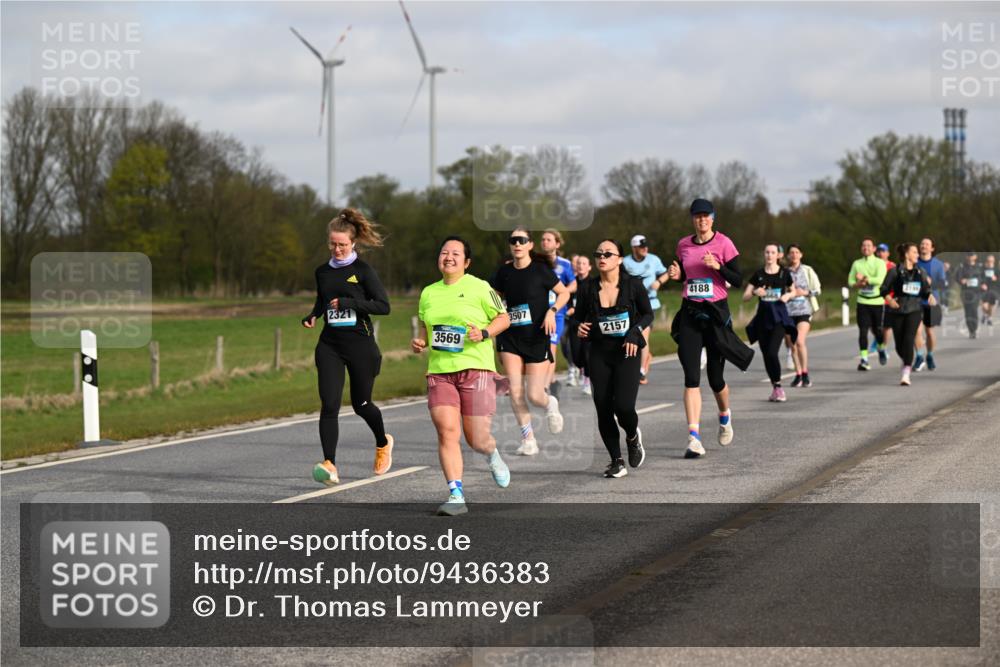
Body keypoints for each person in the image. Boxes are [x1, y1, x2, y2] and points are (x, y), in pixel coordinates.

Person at [412, 236, 512, 516]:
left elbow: (504, 318)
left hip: (476, 368)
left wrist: (483, 333)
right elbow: (425, 327)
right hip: (441, 371)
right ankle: (456, 495)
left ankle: (491, 453)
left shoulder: (480, 287)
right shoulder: (429, 292)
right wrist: (420, 341)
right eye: (444, 252)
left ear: (466, 262)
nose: (449, 257)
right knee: (447, 431)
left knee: (477, 439)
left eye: (456, 253)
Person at [302, 208, 394, 486]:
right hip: (330, 345)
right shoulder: (322, 272)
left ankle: (382, 443)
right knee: (329, 404)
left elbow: (383, 306)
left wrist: (349, 303)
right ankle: (329, 464)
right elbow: (322, 300)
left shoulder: (363, 271)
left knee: (361, 404)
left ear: (353, 242)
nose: (337, 249)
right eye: (333, 244)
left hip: (360, 346)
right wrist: (313, 315)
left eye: (342, 244)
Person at [665, 199, 755, 459]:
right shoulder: (683, 244)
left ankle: (724, 416)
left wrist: (719, 267)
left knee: (716, 379)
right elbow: (686, 273)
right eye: (697, 216)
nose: (701, 220)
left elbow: (738, 280)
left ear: (712, 219)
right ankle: (693, 438)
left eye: (706, 216)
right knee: (691, 376)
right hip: (691, 314)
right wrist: (677, 274)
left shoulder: (724, 243)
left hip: (716, 315)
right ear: (692, 219)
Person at [574, 239, 653, 478]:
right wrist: (580, 328)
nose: (602, 257)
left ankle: (632, 435)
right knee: (603, 407)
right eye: (599, 253)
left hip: (627, 352)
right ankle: (616, 460)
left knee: (624, 407)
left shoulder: (633, 285)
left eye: (608, 254)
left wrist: (634, 331)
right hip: (599, 352)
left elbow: (648, 314)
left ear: (619, 259)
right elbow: (578, 318)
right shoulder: (587, 287)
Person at [490, 227, 570, 457]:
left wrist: (552, 311)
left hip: (536, 336)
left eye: (522, 240)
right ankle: (529, 440)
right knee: (515, 391)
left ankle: (550, 404)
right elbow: (492, 299)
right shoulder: (503, 272)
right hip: (510, 337)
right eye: (513, 240)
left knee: (534, 395)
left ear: (530, 245)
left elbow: (563, 293)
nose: (517, 244)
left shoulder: (541, 270)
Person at [744, 245, 797, 402]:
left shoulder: (784, 273)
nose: (769, 255)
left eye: (772, 252)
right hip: (762, 320)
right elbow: (745, 296)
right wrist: (754, 292)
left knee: (773, 352)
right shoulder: (758, 274)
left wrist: (788, 296)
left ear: (778, 255)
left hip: (779, 319)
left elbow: (793, 290)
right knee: (767, 355)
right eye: (767, 252)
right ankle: (775, 387)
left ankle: (779, 388)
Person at [881, 243, 933, 386]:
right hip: (897, 310)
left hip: (914, 310)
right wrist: (890, 300)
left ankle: (906, 373)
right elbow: (883, 289)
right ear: (906, 255)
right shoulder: (895, 271)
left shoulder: (920, 272)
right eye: (914, 252)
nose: (917, 255)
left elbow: (925, 290)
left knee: (909, 338)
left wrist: (929, 295)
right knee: (899, 345)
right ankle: (908, 361)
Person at [623, 234, 669, 385]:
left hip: (649, 305)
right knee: (628, 336)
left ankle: (641, 371)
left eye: (646, 246)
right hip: (629, 305)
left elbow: (666, 272)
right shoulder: (625, 262)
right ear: (634, 248)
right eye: (641, 247)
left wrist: (659, 282)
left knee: (642, 334)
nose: (645, 249)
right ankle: (638, 360)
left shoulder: (654, 260)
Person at [540, 229, 577, 398]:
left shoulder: (565, 264)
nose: (545, 242)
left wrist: (562, 293)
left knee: (551, 348)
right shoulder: (535, 262)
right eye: (543, 239)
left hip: (557, 313)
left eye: (549, 239)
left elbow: (574, 285)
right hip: (538, 312)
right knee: (540, 348)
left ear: (557, 243)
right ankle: (550, 381)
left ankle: (545, 386)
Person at [847, 238, 888, 370]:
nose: (866, 248)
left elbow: (880, 280)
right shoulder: (856, 263)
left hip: (877, 301)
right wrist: (858, 284)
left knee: (878, 330)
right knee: (863, 331)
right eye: (863, 246)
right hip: (862, 301)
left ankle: (881, 348)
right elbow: (850, 281)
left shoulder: (879, 263)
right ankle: (864, 359)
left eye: (869, 246)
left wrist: (865, 279)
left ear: (874, 249)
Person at [784, 244, 821, 387]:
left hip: (804, 310)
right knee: (791, 345)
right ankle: (798, 374)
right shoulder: (784, 272)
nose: (794, 255)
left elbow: (817, 290)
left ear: (801, 255)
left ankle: (805, 373)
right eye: (791, 253)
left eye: (796, 252)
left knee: (799, 341)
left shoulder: (807, 270)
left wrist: (805, 292)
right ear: (788, 256)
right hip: (787, 312)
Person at [914, 237, 948, 371]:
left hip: (931, 301)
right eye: (922, 244)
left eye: (927, 244)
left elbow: (942, 283)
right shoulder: (914, 262)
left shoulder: (938, 264)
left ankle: (930, 355)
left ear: (932, 248)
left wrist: (930, 282)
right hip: (915, 301)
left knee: (929, 332)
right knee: (916, 330)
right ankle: (919, 356)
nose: (923, 246)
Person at [566, 254, 593, 396]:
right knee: (576, 355)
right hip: (574, 323)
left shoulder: (593, 283)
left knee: (587, 353)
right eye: (579, 263)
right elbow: (565, 297)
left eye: (584, 263)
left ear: (589, 267)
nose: (581, 266)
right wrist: (568, 308)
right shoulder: (572, 283)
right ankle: (581, 369)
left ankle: (587, 381)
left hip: (588, 323)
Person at [955, 252, 987, 339]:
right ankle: (971, 330)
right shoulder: (962, 267)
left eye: (972, 255)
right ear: (966, 257)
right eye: (969, 255)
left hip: (976, 292)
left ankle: (975, 328)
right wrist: (962, 280)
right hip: (966, 292)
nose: (970, 257)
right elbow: (957, 278)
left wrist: (984, 284)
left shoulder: (980, 267)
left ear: (975, 257)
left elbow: (984, 278)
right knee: (967, 312)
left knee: (974, 310)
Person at [981, 254, 997, 327]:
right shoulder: (983, 270)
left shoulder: (997, 270)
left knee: (991, 306)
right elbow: (979, 278)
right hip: (985, 289)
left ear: (993, 261)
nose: (990, 262)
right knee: (985, 305)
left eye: (991, 261)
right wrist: (982, 284)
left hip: (994, 290)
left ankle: (989, 318)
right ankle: (984, 314)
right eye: (988, 261)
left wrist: (996, 279)